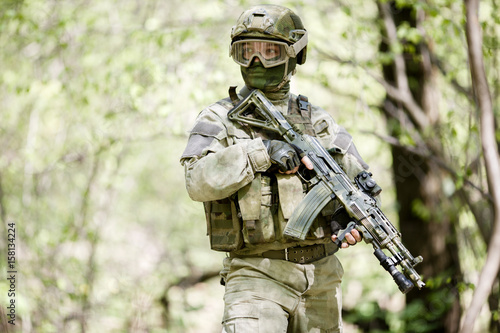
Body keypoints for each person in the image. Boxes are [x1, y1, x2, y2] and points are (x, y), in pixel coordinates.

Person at [180, 4, 370, 332]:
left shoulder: (319, 123)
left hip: (322, 281)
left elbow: (362, 186)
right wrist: (260, 152)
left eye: (270, 51)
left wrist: (350, 221)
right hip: (256, 276)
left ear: (295, 55)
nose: (257, 61)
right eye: (247, 51)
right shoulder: (219, 119)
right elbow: (196, 180)